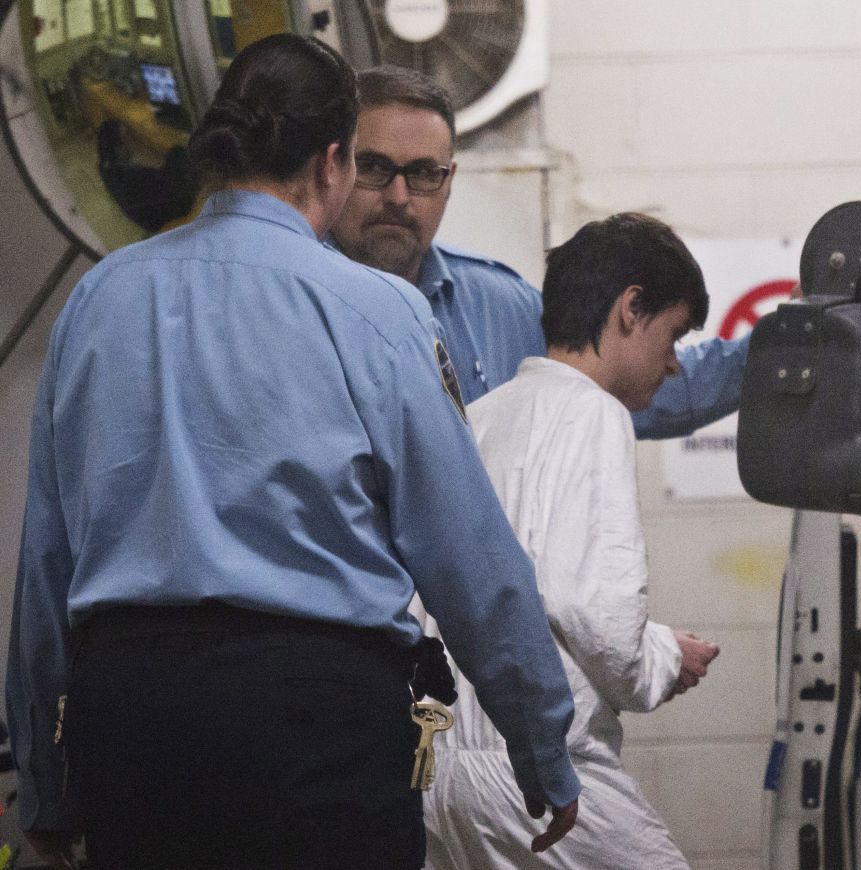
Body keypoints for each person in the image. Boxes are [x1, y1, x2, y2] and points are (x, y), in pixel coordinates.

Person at [6, 34, 580, 870]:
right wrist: (541, 747)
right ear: (335, 161)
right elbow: (470, 558)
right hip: (318, 727)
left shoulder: (101, 298)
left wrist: (46, 778)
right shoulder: (377, 311)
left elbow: (46, 565)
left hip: (132, 723)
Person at [424, 213, 721, 869]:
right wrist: (664, 662)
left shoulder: (483, 417)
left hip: (439, 774)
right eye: (672, 336)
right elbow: (596, 611)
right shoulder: (593, 412)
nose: (674, 365)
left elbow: (527, 586)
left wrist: (662, 644)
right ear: (630, 308)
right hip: (532, 769)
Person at [330, 65, 748, 438]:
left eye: (423, 173)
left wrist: (792, 344)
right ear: (334, 167)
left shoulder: (501, 307)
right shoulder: (284, 303)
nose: (399, 196)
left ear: (450, 179)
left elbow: (648, 380)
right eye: (373, 168)